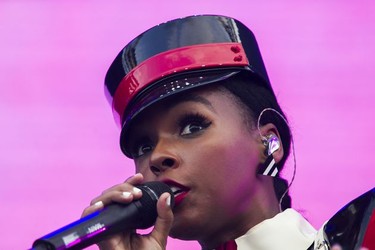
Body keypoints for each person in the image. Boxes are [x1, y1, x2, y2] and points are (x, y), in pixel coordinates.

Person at [81, 15, 373, 250]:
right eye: (143, 146)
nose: (157, 156)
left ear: (270, 142)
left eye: (192, 126)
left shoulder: (364, 232)